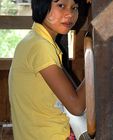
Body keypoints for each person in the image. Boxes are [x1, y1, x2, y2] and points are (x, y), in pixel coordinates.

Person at [8, 0, 87, 140]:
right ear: (42, 6)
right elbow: (76, 107)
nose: (69, 14)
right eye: (61, 5)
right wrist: (100, 63)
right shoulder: (40, 46)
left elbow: (71, 94)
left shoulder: (35, 39)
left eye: (74, 7)